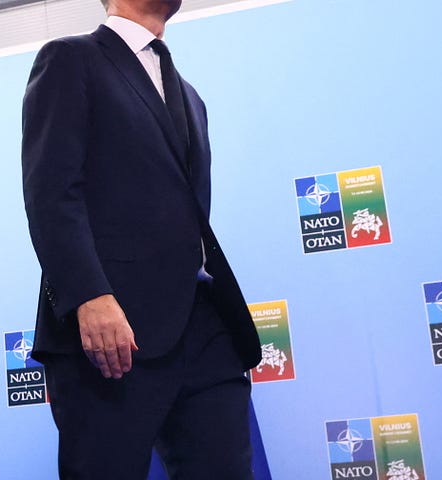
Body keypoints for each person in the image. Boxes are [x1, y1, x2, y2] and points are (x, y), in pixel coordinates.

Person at [20, 0, 262, 478]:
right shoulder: (70, 60)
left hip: (206, 325)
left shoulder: (190, 96)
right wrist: (90, 295)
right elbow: (51, 193)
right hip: (112, 336)